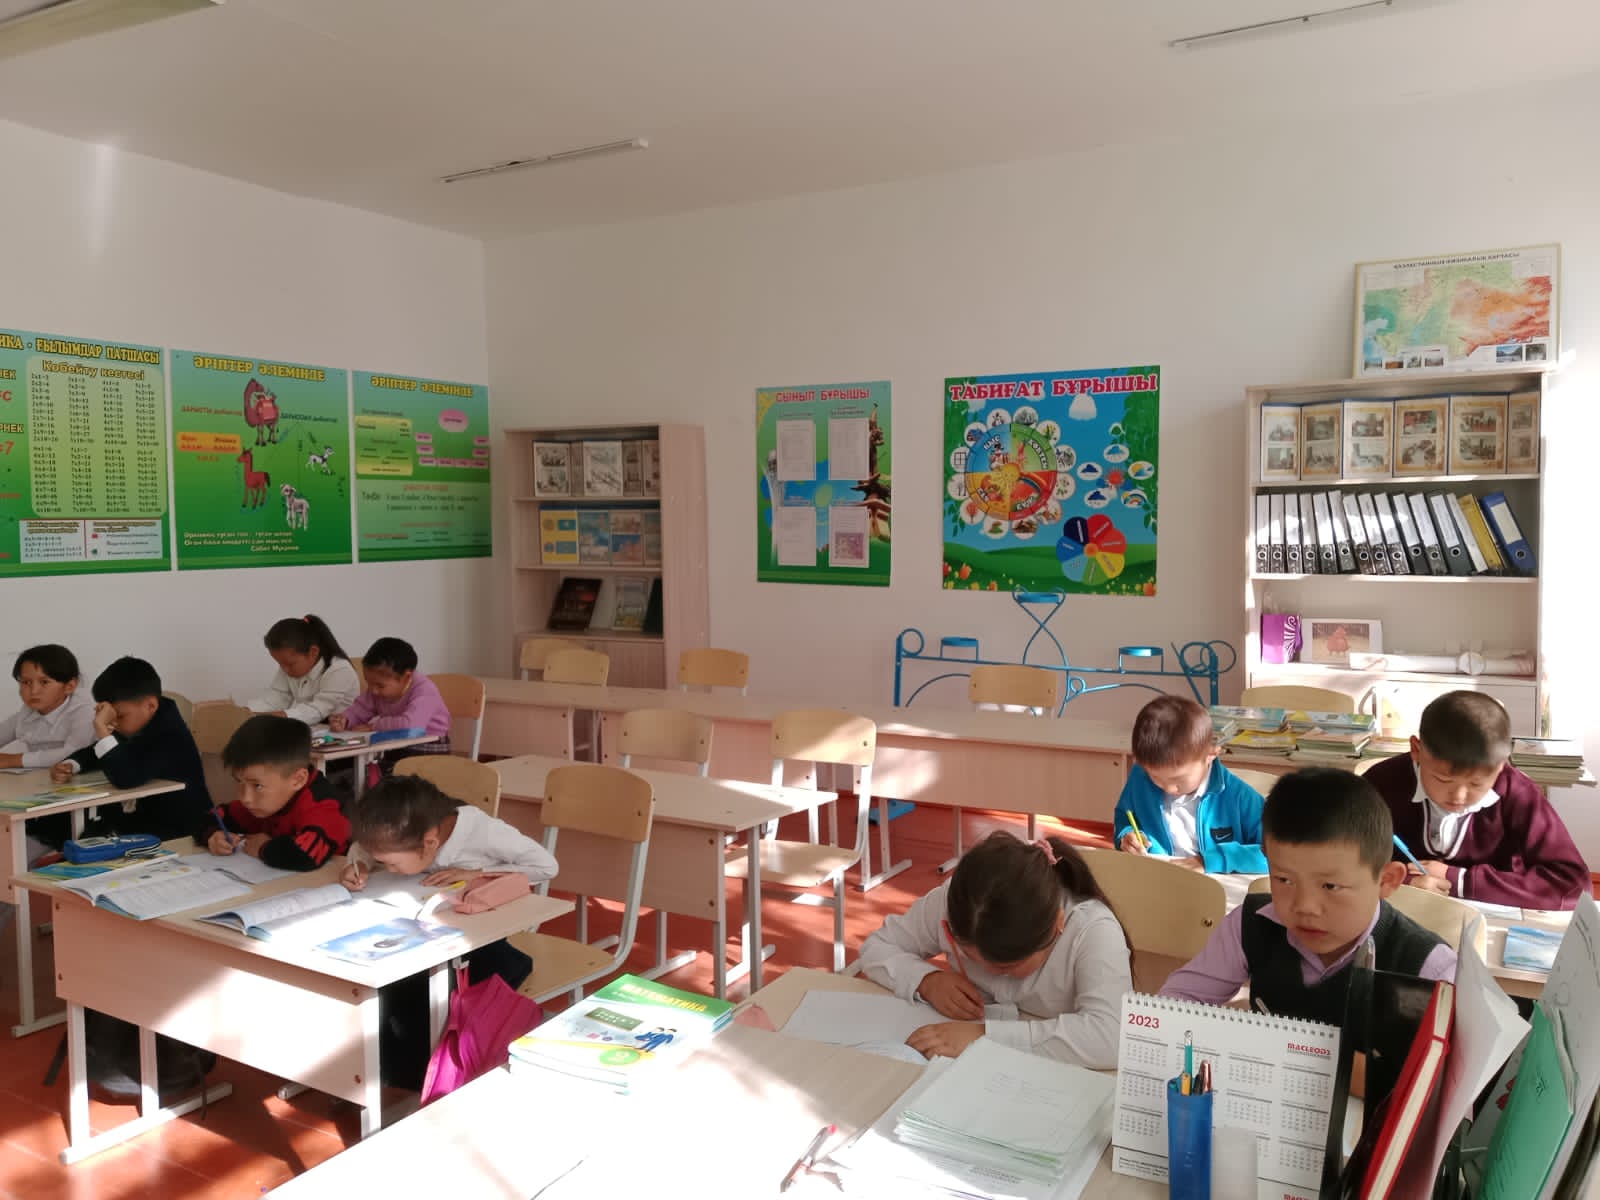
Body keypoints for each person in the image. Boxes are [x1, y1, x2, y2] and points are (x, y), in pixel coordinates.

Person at [1161, 768, 1455, 1025]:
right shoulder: (1249, 925)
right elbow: (1174, 1007)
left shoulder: (1430, 969)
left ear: (1386, 880)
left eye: (1330, 886)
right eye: (1284, 880)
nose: (1305, 907)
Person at [339, 773, 558, 1089]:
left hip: (476, 941)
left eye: (392, 864)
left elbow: (546, 866)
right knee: (388, 981)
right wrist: (358, 865)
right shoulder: (403, 832)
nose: (388, 870)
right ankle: (381, 1070)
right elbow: (363, 847)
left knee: (413, 995)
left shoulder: (483, 832)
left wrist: (477, 872)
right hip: (425, 932)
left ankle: (420, 1076)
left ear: (430, 843)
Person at [856, 831, 1132, 1067]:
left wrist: (984, 1037)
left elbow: (1112, 1037)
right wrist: (927, 981)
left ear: (1057, 924)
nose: (987, 972)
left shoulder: (1091, 929)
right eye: (970, 957)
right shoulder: (956, 904)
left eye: (1005, 967)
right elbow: (877, 946)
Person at [1363, 690, 1588, 910]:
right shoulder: (1379, 785)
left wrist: (1461, 881)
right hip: (1400, 911)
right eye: (1443, 779)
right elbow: (1345, 863)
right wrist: (1402, 882)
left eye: (1476, 784)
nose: (1459, 796)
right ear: (1416, 750)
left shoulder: (1518, 793)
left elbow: (1574, 885)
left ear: (1501, 765)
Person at [48, 657, 210, 842]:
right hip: (143, 821)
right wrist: (71, 764)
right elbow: (96, 752)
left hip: (182, 829)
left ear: (151, 706)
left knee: (88, 836)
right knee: (68, 829)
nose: (114, 723)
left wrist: (101, 729)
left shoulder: (171, 735)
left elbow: (125, 777)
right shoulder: (141, 720)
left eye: (119, 716)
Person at [1113, 694, 1267, 873]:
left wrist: (1213, 860)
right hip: (1156, 877)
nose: (1168, 788)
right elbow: (1124, 816)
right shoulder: (1140, 778)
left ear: (1211, 754)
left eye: (1178, 780)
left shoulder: (1241, 798)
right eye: (1155, 777)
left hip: (1215, 886)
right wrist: (1126, 836)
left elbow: (1275, 856)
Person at [197, 714, 349, 870]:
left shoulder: (322, 806)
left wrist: (264, 848)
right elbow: (210, 817)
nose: (245, 798)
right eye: (239, 782)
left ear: (297, 780)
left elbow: (306, 854)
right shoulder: (264, 801)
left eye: (257, 786)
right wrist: (212, 835)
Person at [331, 637, 451, 781]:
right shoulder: (377, 690)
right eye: (369, 683)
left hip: (427, 748)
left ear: (406, 678)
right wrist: (345, 719)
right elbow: (361, 708)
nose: (373, 690)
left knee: (382, 780)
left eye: (380, 686)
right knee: (364, 774)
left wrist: (374, 726)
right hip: (395, 744)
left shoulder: (424, 690)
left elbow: (411, 726)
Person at [246, 615, 360, 726]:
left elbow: (317, 710)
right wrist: (247, 712)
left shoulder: (339, 669)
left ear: (313, 652)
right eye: (280, 664)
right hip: (313, 727)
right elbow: (277, 696)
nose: (284, 669)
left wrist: (269, 717)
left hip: (343, 730)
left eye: (289, 664)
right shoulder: (289, 665)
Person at [0, 644, 96, 770]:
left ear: (69, 686)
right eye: (26, 682)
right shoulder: (28, 712)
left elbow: (74, 753)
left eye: (44, 682)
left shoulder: (84, 712)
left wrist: (13, 760)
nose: (34, 691)